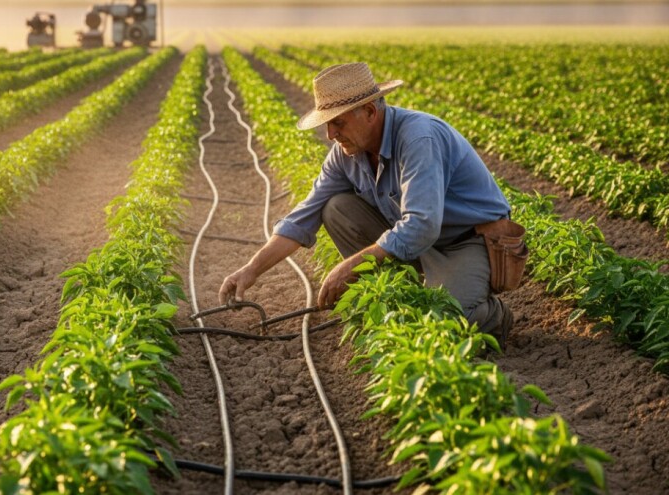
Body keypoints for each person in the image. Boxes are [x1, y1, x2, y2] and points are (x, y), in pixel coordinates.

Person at [218, 62, 514, 347]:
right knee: (336, 208)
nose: (330, 135)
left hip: (465, 241)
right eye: (327, 124)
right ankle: (393, 299)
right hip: (416, 241)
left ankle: (494, 317)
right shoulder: (345, 153)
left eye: (338, 122)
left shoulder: (418, 138)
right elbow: (303, 218)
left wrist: (352, 266)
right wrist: (251, 270)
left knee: (444, 325)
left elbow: (422, 224)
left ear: (370, 111)